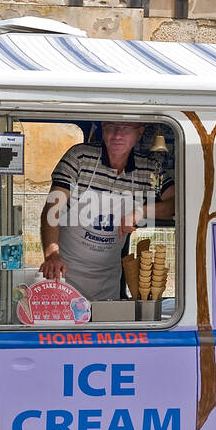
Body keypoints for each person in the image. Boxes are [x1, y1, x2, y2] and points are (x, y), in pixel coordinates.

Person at [39, 121, 175, 302]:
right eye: (111, 127)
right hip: (64, 276)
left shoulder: (149, 169)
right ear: (103, 129)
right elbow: (52, 209)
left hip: (107, 283)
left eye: (126, 128)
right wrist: (51, 254)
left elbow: (175, 204)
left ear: (140, 133)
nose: (117, 134)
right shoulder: (80, 157)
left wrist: (141, 212)